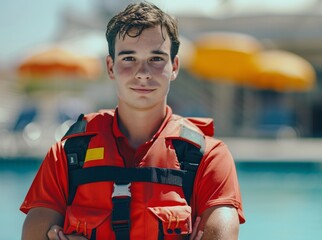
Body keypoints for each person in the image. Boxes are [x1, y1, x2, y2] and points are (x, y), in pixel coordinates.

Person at [20, 2, 245, 239]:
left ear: (175, 66)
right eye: (129, 58)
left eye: (156, 58)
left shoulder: (209, 157)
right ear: (110, 66)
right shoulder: (68, 154)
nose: (143, 72)